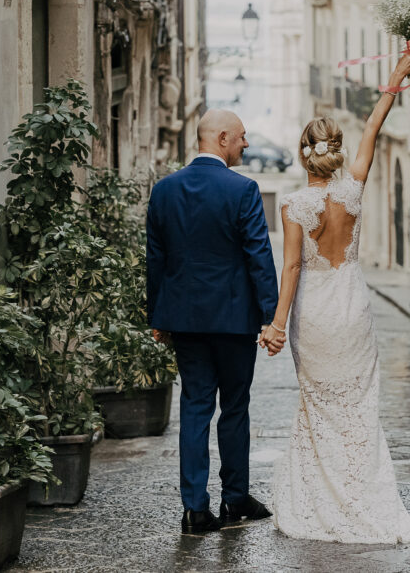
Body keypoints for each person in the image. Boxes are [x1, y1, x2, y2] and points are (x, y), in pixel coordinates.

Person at [263, 50, 410, 544]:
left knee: (318, 406)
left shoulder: (294, 205)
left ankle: (322, 501)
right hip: (353, 311)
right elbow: (373, 126)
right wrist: (396, 76)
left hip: (315, 317)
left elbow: (292, 268)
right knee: (358, 407)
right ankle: (365, 498)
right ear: (335, 151)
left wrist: (277, 325)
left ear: (302, 153)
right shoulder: (353, 191)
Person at [146, 109, 280, 535]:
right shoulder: (243, 189)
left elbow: (156, 258)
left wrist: (157, 315)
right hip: (234, 320)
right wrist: (271, 317)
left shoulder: (164, 190)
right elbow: (259, 255)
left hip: (184, 319)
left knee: (194, 406)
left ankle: (195, 509)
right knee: (234, 407)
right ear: (222, 138)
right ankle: (235, 498)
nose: (246, 144)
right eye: (241, 137)